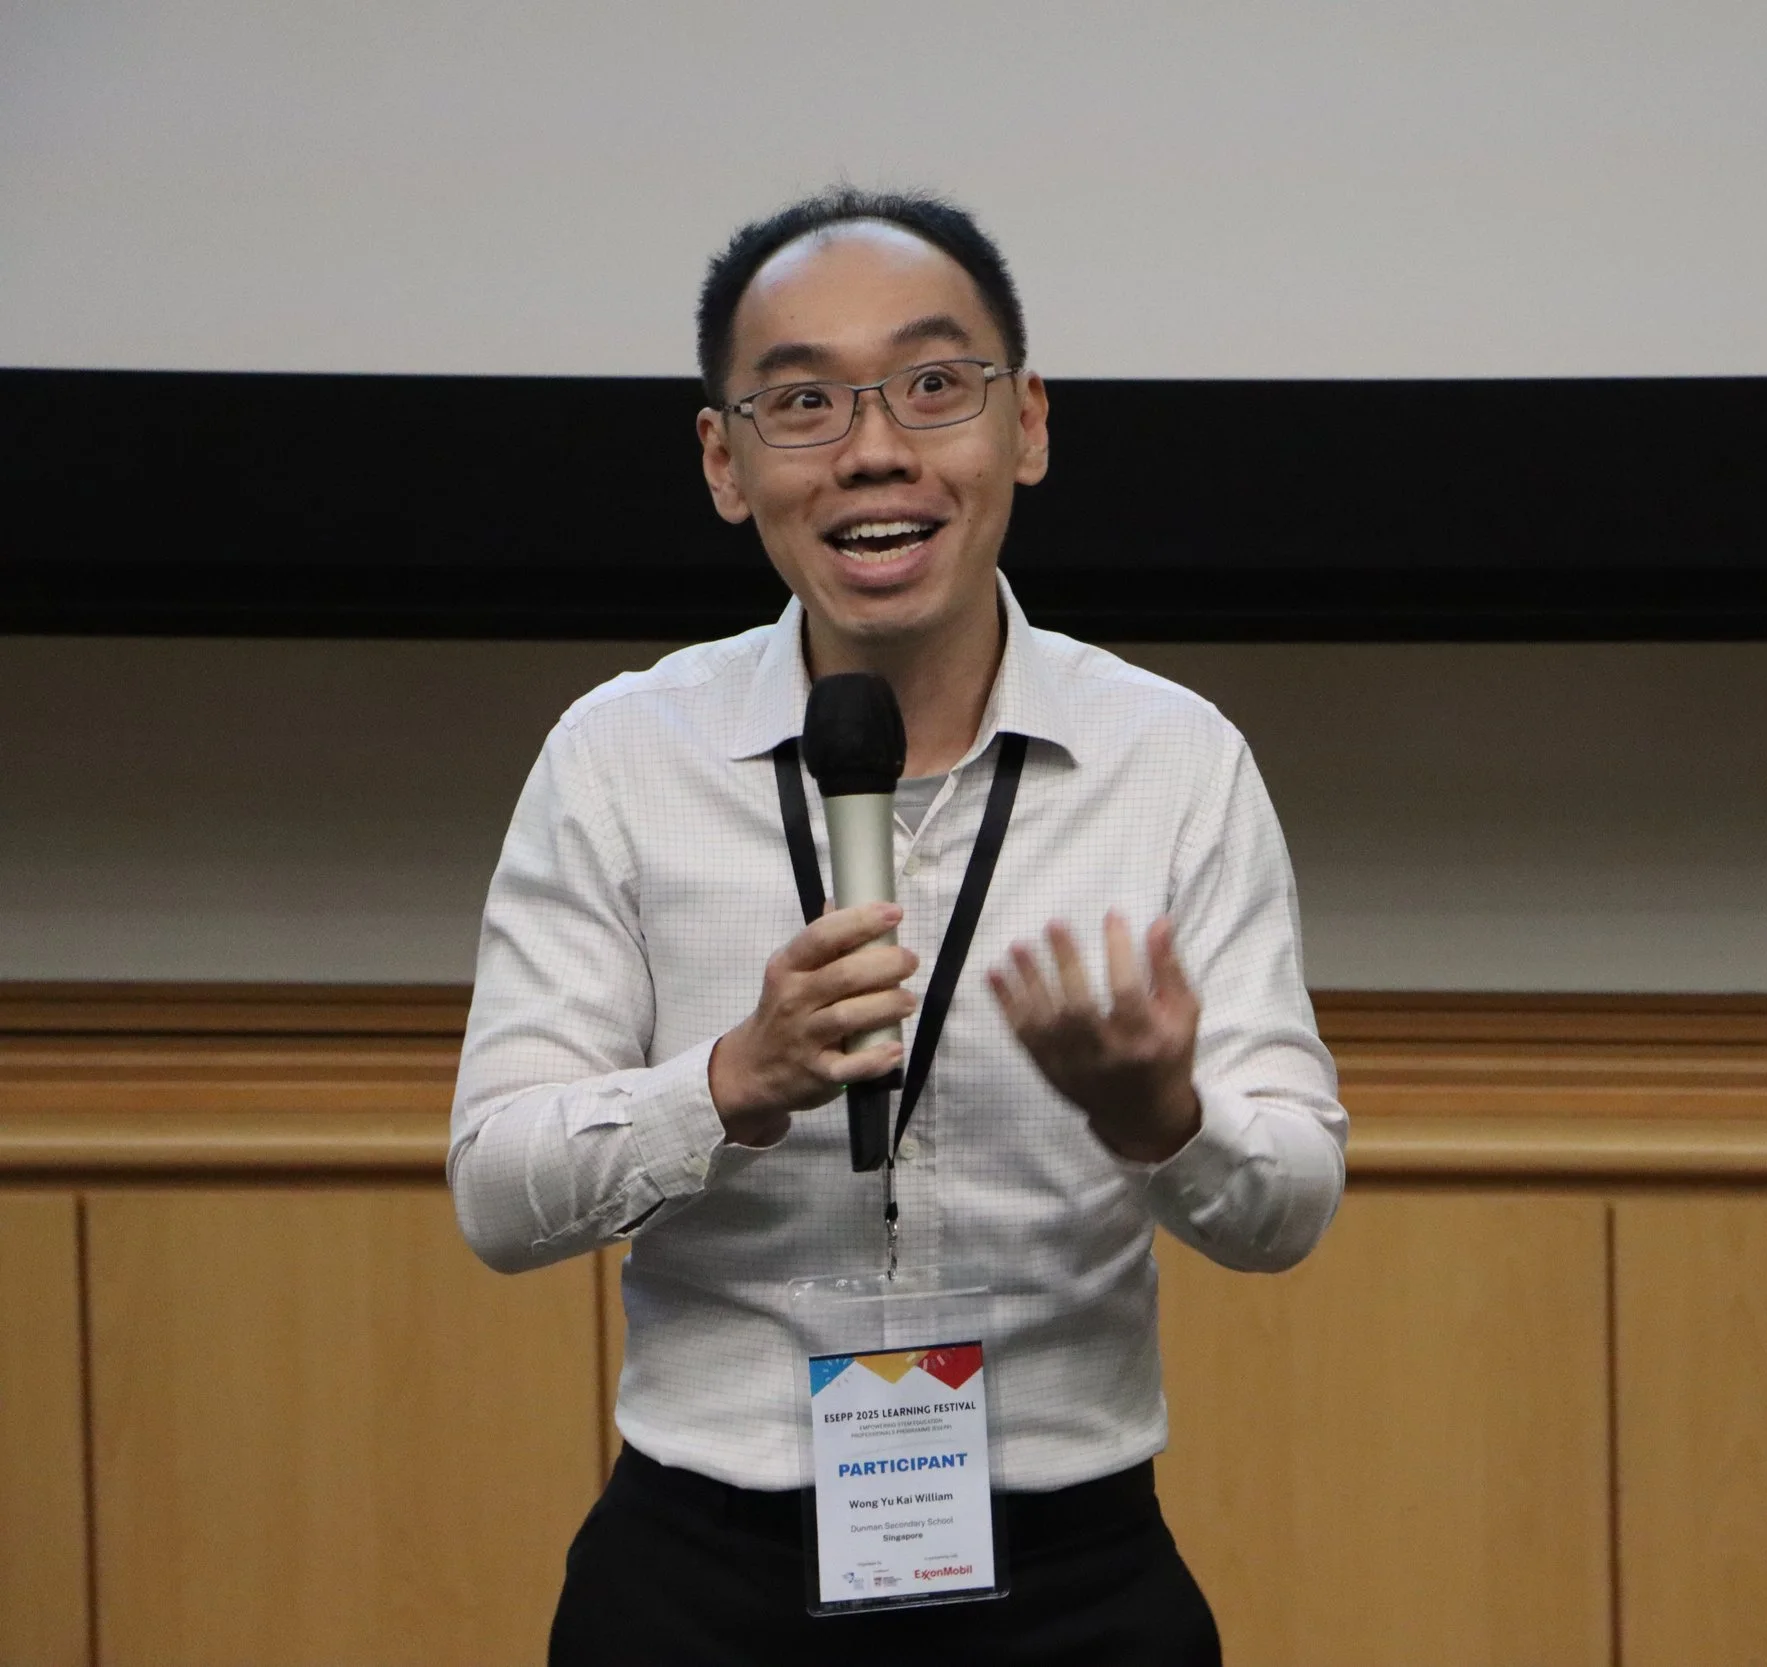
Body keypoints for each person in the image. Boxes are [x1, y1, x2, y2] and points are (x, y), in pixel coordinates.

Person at [448, 187, 1348, 1665]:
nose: (874, 449)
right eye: (802, 401)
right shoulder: (618, 759)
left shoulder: (1174, 762)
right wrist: (726, 1082)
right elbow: (497, 1191)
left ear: (1030, 425)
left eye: (935, 385)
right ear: (724, 462)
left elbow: (1292, 1202)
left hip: (1073, 1575)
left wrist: (1163, 1116)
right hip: (701, 1576)